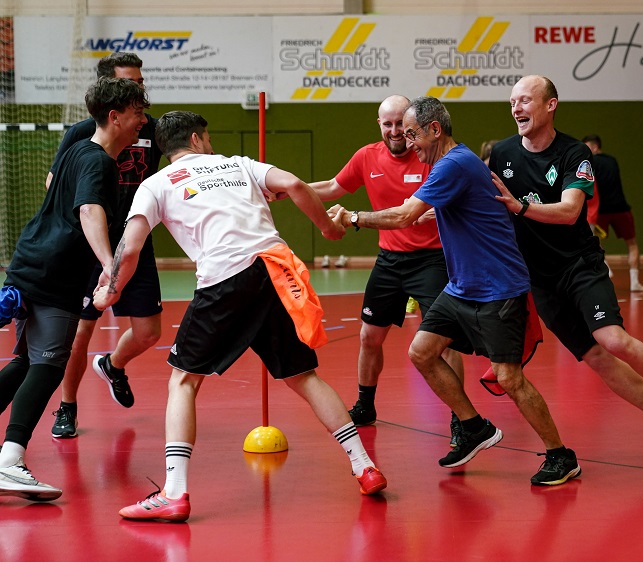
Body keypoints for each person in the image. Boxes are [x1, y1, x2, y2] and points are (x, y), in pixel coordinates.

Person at [93, 110, 387, 522]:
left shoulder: (155, 185)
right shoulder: (238, 164)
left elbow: (132, 244)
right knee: (304, 377)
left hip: (224, 279)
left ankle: (174, 493)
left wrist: (111, 288)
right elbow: (294, 184)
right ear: (196, 139)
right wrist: (327, 228)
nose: (210, 143)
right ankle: (364, 466)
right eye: (207, 137)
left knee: (183, 380)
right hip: (275, 271)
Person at [328, 96, 580, 486]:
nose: (409, 143)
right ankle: (473, 426)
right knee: (422, 351)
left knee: (510, 378)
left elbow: (402, 216)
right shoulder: (452, 165)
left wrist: (354, 217)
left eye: (412, 134)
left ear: (434, 129)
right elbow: (433, 209)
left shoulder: (452, 164)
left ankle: (560, 455)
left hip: (497, 286)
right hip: (462, 286)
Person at [490, 75, 643, 463]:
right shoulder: (502, 154)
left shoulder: (574, 153)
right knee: (596, 357)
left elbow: (569, 212)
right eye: (512, 101)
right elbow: (483, 202)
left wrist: (520, 206)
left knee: (612, 339)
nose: (516, 108)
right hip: (541, 279)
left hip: (579, 265)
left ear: (550, 105)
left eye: (525, 100)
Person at [0, 77, 150, 501]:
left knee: (27, 362)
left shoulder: (77, 152)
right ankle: (10, 461)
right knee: (48, 365)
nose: (143, 121)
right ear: (115, 115)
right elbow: (88, 209)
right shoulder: (98, 161)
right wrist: (109, 264)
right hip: (53, 274)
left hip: (32, 261)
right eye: (138, 112)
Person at [309, 95, 464, 446]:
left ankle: (461, 418)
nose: (396, 132)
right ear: (379, 124)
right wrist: (288, 190)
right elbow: (334, 188)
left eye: (402, 125)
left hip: (433, 259)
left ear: (413, 127)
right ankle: (365, 405)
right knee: (369, 337)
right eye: (388, 124)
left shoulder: (430, 156)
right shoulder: (367, 156)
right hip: (390, 261)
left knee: (445, 342)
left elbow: (448, 202)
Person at [47, 53, 163, 440]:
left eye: (141, 81)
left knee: (148, 332)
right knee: (80, 333)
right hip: (90, 246)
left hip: (135, 240)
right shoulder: (83, 134)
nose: (140, 88)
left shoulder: (151, 128)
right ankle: (67, 407)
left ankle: (113, 365)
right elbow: (55, 183)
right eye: (131, 83)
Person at [582, 134, 643, 291]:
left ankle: (605, 265)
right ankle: (635, 282)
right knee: (632, 244)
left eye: (587, 147)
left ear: (595, 147)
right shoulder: (612, 161)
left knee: (594, 242)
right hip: (621, 208)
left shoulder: (588, 163)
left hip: (601, 211)